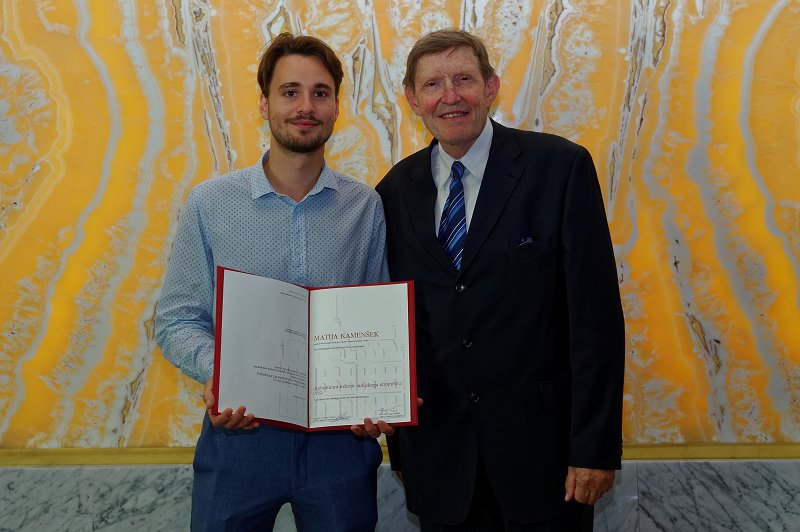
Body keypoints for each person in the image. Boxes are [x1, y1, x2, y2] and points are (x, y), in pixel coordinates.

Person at [357, 29, 625, 531]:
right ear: (412, 100)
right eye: (432, 84)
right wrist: (396, 437)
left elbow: (596, 321)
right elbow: (393, 322)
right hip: (439, 462)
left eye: (464, 79)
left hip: (546, 462)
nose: (450, 96)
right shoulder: (392, 192)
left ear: (491, 86)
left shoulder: (560, 169)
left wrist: (594, 448)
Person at [155, 33, 388, 531]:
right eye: (289, 92)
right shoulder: (209, 203)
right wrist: (221, 374)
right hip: (239, 437)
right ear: (264, 104)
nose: (306, 106)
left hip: (339, 445)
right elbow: (176, 320)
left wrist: (379, 395)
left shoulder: (365, 207)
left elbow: (379, 322)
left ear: (336, 107)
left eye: (320, 93)